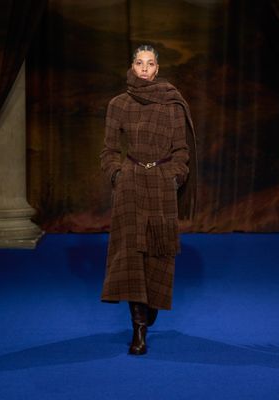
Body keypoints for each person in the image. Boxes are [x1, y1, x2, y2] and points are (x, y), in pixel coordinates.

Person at [100, 44, 197, 355]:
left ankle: (150, 310)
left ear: (157, 68)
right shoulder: (119, 104)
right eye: (139, 63)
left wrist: (174, 176)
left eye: (150, 63)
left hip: (160, 184)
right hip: (130, 183)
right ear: (132, 66)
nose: (144, 68)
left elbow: (182, 151)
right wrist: (117, 175)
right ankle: (138, 330)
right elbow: (109, 151)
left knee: (157, 255)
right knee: (130, 258)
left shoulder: (172, 104)